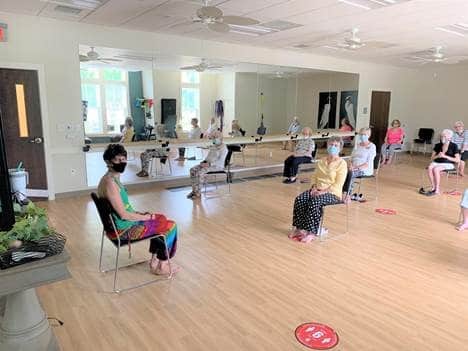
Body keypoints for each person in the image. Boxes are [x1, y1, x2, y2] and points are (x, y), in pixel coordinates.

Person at [97, 144, 179, 275]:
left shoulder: (111, 179)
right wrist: (147, 217)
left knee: (159, 219)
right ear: (108, 162)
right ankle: (161, 266)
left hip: (118, 225)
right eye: (118, 160)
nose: (122, 163)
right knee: (170, 226)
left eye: (124, 159)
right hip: (123, 230)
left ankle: (154, 260)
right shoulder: (110, 184)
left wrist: (144, 215)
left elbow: (122, 209)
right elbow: (123, 215)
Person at [290, 136, 347, 243]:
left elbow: (338, 184)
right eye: (331, 144)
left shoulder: (342, 164)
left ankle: (312, 232)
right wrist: (314, 188)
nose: (333, 147)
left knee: (315, 202)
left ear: (340, 148)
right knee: (300, 199)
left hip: (332, 193)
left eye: (336, 145)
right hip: (317, 189)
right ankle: (298, 228)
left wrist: (322, 192)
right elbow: (314, 177)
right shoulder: (322, 161)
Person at [187, 129, 228, 199]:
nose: (214, 140)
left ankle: (198, 193)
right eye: (213, 138)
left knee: (200, 172)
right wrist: (204, 161)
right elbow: (209, 156)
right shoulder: (214, 146)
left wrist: (209, 164)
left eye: (215, 138)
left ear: (220, 138)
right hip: (208, 164)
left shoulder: (224, 148)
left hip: (217, 166)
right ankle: (194, 191)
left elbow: (220, 161)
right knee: (192, 170)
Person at [421, 129, 460, 196]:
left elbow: (457, 160)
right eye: (442, 136)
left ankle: (437, 189)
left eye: (444, 136)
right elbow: (432, 158)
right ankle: (433, 187)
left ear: (449, 138)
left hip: (448, 163)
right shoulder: (437, 145)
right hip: (437, 162)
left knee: (436, 169)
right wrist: (437, 156)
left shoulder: (454, 146)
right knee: (430, 167)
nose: (442, 138)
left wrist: (445, 156)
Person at [342, 128, 377, 202]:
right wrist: (351, 165)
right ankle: (342, 193)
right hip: (353, 167)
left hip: (364, 169)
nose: (362, 136)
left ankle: (347, 195)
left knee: (350, 173)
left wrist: (356, 168)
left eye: (364, 134)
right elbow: (351, 158)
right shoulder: (357, 145)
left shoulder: (372, 147)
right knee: (343, 172)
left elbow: (367, 163)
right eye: (361, 134)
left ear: (368, 135)